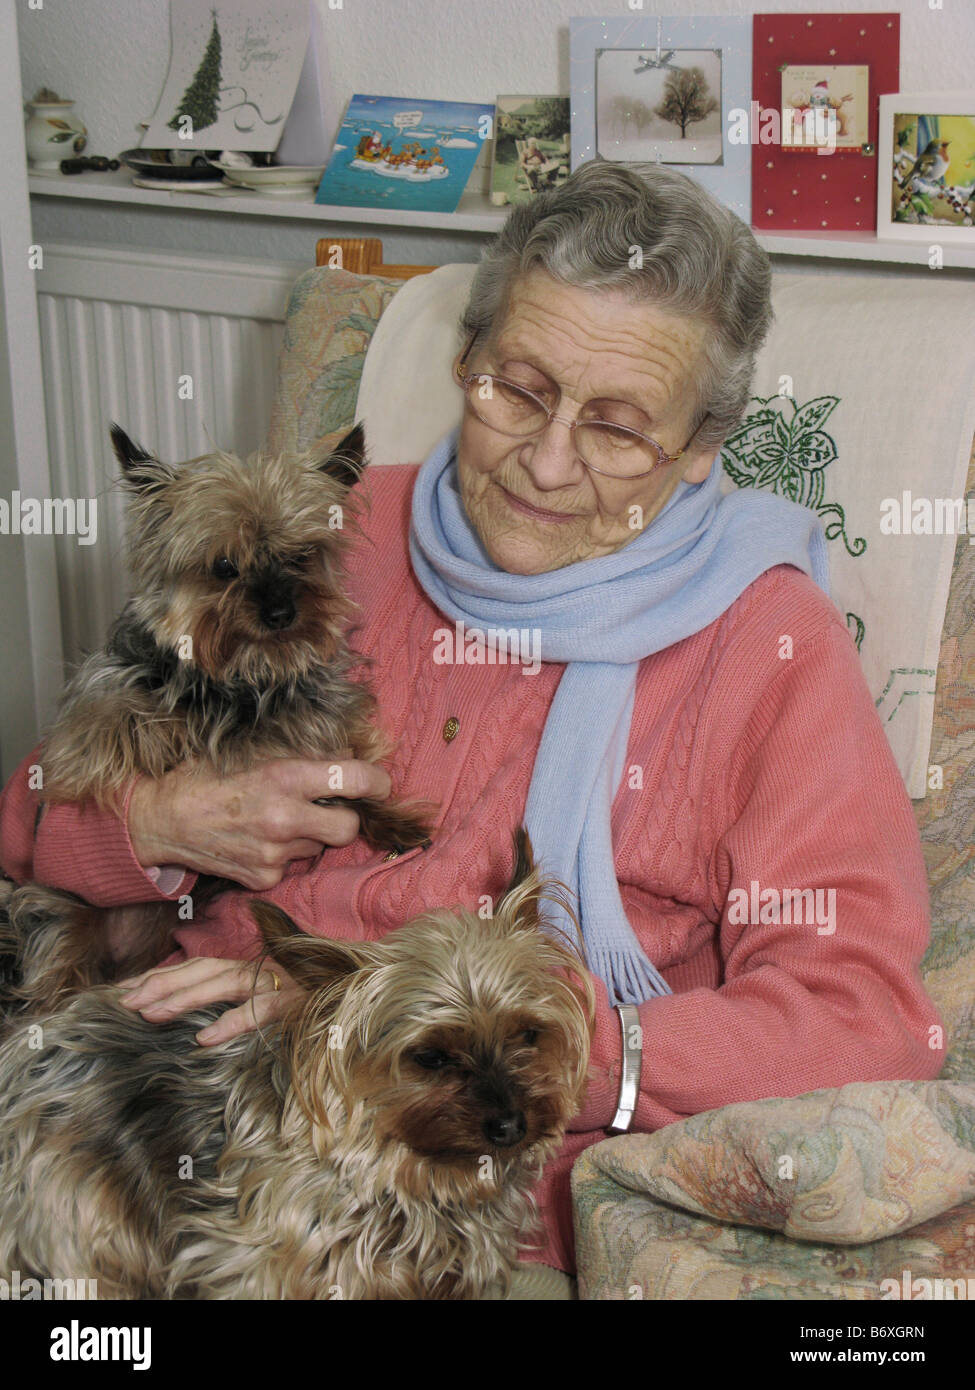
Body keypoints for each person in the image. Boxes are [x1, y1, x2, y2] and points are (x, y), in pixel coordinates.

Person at [0, 159, 943, 1293]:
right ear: (466, 360)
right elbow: (31, 817)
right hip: (158, 1105)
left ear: (701, 447)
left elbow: (863, 1021)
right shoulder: (326, 531)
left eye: (618, 428)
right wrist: (156, 823)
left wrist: (502, 1046)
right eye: (519, 389)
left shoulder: (771, 649)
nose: (547, 463)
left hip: (442, 1198)